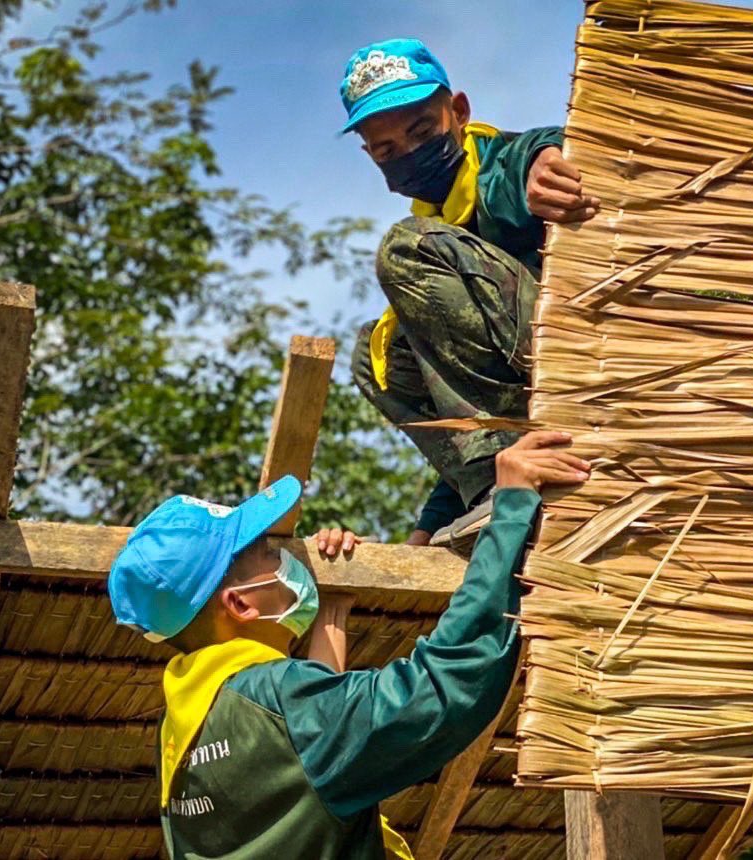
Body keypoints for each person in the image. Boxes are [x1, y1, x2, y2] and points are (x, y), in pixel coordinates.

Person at [107, 432, 590, 859]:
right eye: (270, 554)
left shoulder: (182, 731)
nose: (286, 559)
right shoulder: (283, 705)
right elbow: (447, 680)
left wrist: (334, 604)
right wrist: (510, 510)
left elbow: (308, 774)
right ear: (240, 604)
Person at [339, 38, 600, 546]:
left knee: (403, 248)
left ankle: (495, 480)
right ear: (370, 155)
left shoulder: (495, 174)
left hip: (580, 346)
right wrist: (425, 529)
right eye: (388, 149)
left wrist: (545, 158)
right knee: (376, 354)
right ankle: (486, 485)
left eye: (421, 131)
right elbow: (472, 410)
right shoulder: (438, 227)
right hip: (523, 395)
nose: (410, 155)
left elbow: (530, 149)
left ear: (458, 112)